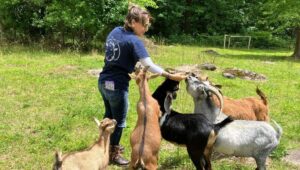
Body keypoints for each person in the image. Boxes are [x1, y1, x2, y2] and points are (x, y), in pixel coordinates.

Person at [98, 4, 186, 166]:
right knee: (119, 121)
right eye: (144, 25)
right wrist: (170, 75)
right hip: (117, 85)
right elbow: (149, 65)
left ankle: (102, 148)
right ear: (132, 22)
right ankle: (113, 153)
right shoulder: (134, 41)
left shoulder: (115, 31)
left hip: (103, 81)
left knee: (109, 115)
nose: (146, 29)